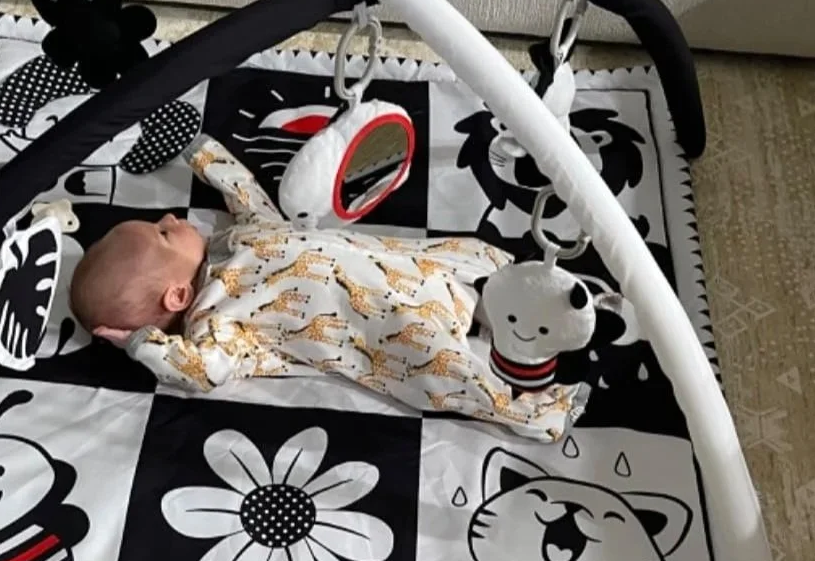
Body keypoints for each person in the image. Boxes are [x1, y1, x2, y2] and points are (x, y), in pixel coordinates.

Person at [70, 136, 586, 440]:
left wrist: (205, 154)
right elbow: (206, 373)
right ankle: (533, 410)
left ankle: (524, 298)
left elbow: (252, 201)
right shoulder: (217, 323)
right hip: (383, 332)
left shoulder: (233, 239)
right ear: (177, 298)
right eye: (163, 232)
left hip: (401, 269)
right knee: (444, 370)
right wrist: (143, 344)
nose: (168, 215)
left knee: (466, 259)